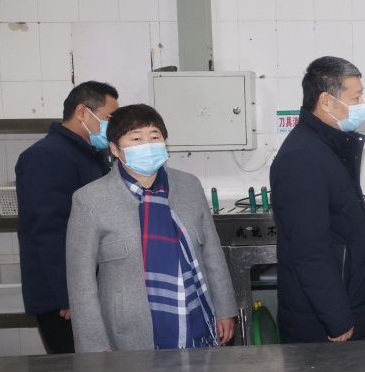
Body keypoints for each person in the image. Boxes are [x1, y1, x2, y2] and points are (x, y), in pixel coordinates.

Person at [66, 104, 237, 352]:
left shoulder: (189, 185)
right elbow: (80, 281)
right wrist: (95, 345)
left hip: (196, 317)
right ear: (115, 149)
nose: (147, 145)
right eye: (136, 138)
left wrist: (224, 309)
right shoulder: (90, 200)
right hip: (128, 331)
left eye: (154, 136)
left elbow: (211, 251)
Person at [270, 57, 365, 343]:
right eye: (356, 97)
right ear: (326, 101)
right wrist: (337, 319)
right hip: (330, 321)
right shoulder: (301, 157)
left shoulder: (329, 147)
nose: (362, 104)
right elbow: (310, 250)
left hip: (353, 302)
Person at [14, 81, 119, 354]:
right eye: (109, 118)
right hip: (64, 299)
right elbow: (49, 230)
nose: (112, 126)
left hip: (87, 288)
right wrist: (69, 295)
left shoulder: (90, 154)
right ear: (82, 112)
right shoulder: (46, 156)